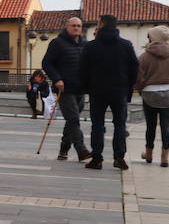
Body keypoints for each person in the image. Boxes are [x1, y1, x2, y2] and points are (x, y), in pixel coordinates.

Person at [78, 14, 139, 170]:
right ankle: (119, 158)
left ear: (102, 24)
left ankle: (97, 158)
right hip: (120, 91)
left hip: (97, 91)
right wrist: (128, 88)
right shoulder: (126, 45)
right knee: (120, 124)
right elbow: (134, 69)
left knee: (97, 125)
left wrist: (86, 87)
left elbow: (82, 70)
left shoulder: (91, 46)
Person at [41, 16, 93, 162]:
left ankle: (63, 150)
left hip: (81, 89)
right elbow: (47, 63)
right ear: (67, 27)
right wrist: (57, 79)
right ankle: (81, 150)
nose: (76, 28)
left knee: (71, 121)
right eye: (73, 25)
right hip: (65, 89)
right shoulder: (57, 43)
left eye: (78, 26)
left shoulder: (85, 44)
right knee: (74, 119)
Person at [134, 26, 169, 167]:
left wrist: (140, 89)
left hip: (150, 93)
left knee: (150, 126)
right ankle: (165, 157)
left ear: (153, 38)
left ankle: (149, 153)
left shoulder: (144, 56)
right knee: (166, 126)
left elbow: (138, 76)